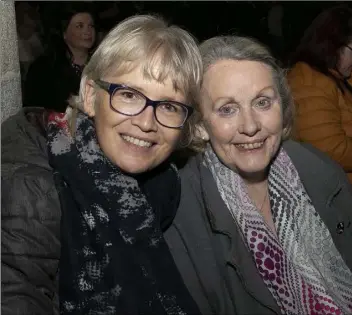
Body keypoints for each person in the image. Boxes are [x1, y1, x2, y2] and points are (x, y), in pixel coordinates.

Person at [2, 15, 203, 315]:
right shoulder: (35, 187)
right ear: (90, 96)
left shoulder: (166, 185)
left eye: (170, 106)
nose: (146, 123)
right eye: (129, 95)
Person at [164, 36, 352, 315]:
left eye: (263, 102)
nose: (250, 126)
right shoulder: (180, 215)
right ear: (200, 125)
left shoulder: (321, 171)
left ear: (282, 107)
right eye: (227, 109)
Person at [287, 5, 352, 189]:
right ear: (334, 45)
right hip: (342, 193)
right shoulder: (307, 83)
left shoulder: (340, 73)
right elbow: (332, 150)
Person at [23, 3, 96, 112]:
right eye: (80, 26)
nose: (88, 31)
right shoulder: (44, 68)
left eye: (91, 26)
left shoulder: (102, 64)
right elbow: (34, 113)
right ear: (64, 33)